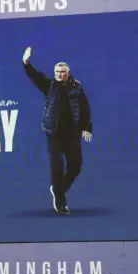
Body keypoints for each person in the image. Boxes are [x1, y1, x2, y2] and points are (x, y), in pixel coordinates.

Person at [22, 46, 92, 215]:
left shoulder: (77, 87)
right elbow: (35, 77)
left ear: (68, 72)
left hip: (72, 133)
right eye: (57, 72)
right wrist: (26, 62)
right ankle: (60, 203)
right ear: (54, 73)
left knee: (76, 165)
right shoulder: (49, 86)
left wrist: (86, 128)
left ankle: (58, 189)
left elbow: (85, 108)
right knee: (57, 167)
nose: (60, 74)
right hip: (53, 133)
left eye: (63, 72)